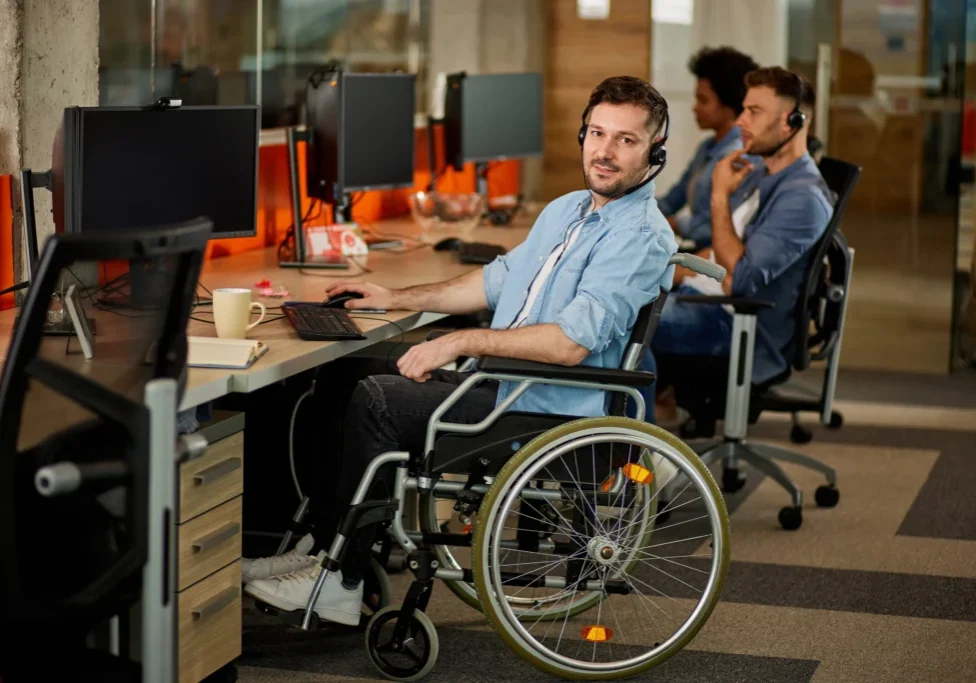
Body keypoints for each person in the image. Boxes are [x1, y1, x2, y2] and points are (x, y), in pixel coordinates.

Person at [244, 76, 678, 624]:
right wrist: (392, 297)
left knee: (377, 399)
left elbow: (571, 345)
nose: (605, 151)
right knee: (343, 370)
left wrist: (462, 338)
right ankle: (323, 543)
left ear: (654, 154)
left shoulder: (637, 235)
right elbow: (491, 284)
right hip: (506, 384)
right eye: (597, 133)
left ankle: (341, 579)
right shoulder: (569, 210)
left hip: (548, 411)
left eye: (626, 140)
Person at [648, 67, 834, 426]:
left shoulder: (803, 198)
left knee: (625, 324)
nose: (741, 121)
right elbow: (721, 253)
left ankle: (644, 440)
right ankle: (647, 422)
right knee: (622, 300)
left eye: (755, 112)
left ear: (792, 123)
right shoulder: (762, 173)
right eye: (744, 109)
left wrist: (719, 195)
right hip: (712, 301)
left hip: (738, 325)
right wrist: (671, 273)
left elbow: (742, 280)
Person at [656, 46, 760, 248]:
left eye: (703, 100)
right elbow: (673, 199)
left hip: (717, 257)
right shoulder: (707, 148)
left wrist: (671, 225)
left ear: (729, 105)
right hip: (698, 248)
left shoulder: (739, 154)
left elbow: (723, 223)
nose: (695, 107)